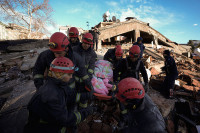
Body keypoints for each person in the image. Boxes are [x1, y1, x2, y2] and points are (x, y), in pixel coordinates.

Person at [24, 57, 96, 133]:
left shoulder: (58, 85)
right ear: (59, 75)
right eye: (69, 74)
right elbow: (66, 120)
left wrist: (89, 95)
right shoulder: (51, 95)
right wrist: (87, 111)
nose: (71, 77)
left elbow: (71, 96)